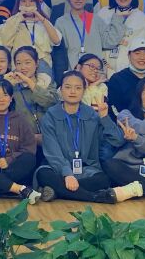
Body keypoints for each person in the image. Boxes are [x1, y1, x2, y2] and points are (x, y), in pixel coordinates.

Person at [35, 70, 130, 203]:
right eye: (68, 87)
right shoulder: (50, 116)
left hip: (86, 169)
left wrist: (105, 118)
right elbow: (53, 152)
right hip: (57, 168)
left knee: (103, 179)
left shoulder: (92, 114)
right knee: (43, 174)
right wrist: (67, 174)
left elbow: (117, 141)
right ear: (61, 90)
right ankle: (94, 197)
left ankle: (57, 191)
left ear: (84, 91)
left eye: (78, 88)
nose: (72, 91)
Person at [0, 0, 61, 69]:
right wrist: (19, 17)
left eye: (31, 1)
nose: (27, 4)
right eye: (23, 1)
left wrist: (42, 19)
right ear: (18, 3)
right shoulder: (12, 21)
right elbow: (4, 41)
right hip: (20, 66)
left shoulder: (44, 23)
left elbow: (56, 41)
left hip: (42, 66)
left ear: (37, 2)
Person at [95, 0, 145, 75]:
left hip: (130, 69)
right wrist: (104, 64)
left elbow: (141, 47)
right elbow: (98, 43)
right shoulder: (103, 13)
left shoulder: (141, 17)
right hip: (105, 68)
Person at [53, 0, 106, 77]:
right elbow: (59, 53)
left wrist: (118, 17)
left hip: (96, 74)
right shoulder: (61, 22)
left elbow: (108, 43)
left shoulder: (95, 19)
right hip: (74, 75)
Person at [106, 39, 145, 114]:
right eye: (137, 53)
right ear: (129, 55)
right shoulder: (117, 79)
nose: (142, 57)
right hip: (125, 121)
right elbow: (113, 109)